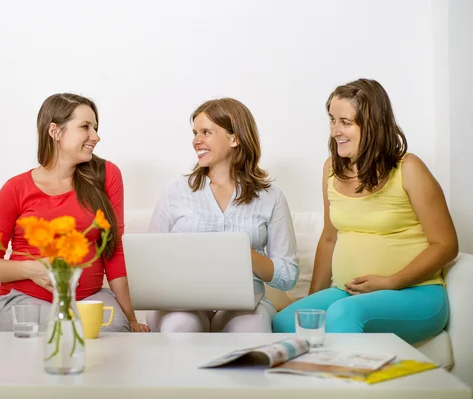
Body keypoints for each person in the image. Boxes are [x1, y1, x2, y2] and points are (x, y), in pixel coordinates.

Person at [273, 79, 458, 344]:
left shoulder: (409, 168)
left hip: (416, 293)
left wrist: (392, 281)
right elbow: (329, 238)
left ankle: (341, 385)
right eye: (332, 120)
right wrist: (312, 300)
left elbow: (446, 245)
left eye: (345, 122)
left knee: (346, 313)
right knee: (283, 323)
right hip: (349, 293)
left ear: (372, 124)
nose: (335, 131)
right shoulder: (330, 169)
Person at [0, 93, 150, 333]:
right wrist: (30, 268)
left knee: (114, 330)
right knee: (64, 328)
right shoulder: (15, 188)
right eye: (85, 127)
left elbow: (113, 251)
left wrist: (130, 318)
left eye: (96, 128)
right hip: (21, 301)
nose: (96, 137)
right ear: (55, 132)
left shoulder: (106, 175)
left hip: (88, 298)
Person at [146, 98, 300, 333]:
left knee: (252, 325)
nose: (197, 141)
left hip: (244, 306)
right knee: (180, 325)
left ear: (234, 138)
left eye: (206, 132)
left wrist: (243, 253)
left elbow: (288, 275)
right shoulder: (175, 192)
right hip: (181, 305)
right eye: (195, 133)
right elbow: (151, 262)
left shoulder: (271, 197)